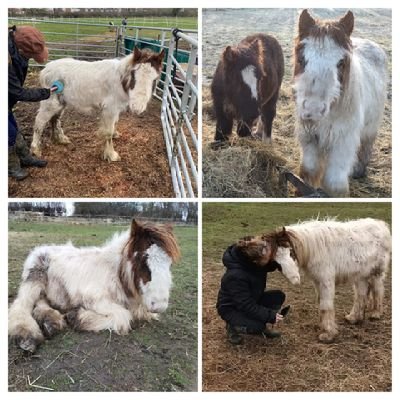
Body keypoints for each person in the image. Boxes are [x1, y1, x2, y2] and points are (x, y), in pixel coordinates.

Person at [8, 25, 61, 180]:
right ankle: (12, 167)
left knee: (13, 128)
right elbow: (17, 91)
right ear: (23, 51)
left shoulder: (15, 50)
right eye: (32, 56)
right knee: (8, 133)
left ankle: (25, 157)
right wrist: (47, 92)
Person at [216, 236, 288, 345]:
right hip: (232, 308)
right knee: (257, 327)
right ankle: (233, 327)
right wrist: (269, 315)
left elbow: (271, 265)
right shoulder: (235, 277)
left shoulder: (253, 260)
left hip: (252, 297)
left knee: (278, 297)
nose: (270, 260)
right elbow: (246, 305)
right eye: (268, 258)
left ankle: (255, 322)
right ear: (256, 261)